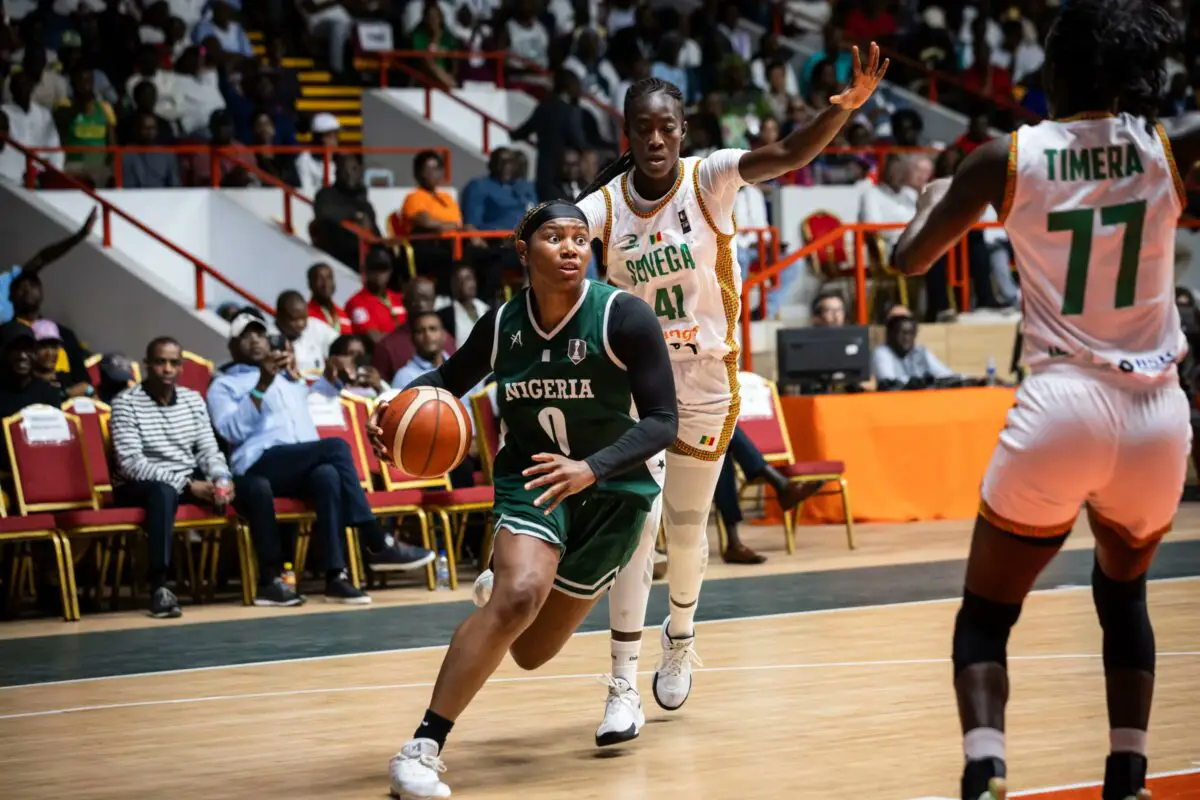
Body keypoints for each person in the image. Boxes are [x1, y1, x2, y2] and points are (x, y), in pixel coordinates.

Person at [892, 3, 1188, 798]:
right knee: (1122, 593)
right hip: (1160, 414)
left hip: (1063, 403)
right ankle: (1128, 775)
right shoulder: (1164, 148)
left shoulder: (1006, 156)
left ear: (1060, 72)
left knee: (986, 617)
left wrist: (932, 201)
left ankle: (986, 765)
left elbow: (909, 261)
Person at [572, 46, 886, 744]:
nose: (654, 139)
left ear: (681, 131)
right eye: (641, 129)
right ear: (626, 134)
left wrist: (840, 111)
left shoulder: (707, 178)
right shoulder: (606, 206)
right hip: (637, 387)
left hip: (708, 381)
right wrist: (542, 233)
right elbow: (561, 236)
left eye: (666, 128)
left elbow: (787, 154)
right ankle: (622, 686)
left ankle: (679, 636)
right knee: (637, 528)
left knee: (686, 530)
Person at [379, 202, 678, 798]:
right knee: (517, 598)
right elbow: (444, 381)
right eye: (553, 237)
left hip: (614, 489)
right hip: (535, 477)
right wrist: (392, 411)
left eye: (579, 238)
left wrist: (589, 469)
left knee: (532, 652)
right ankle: (421, 748)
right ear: (524, 250)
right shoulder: (501, 326)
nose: (570, 248)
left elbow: (664, 421)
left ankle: (515, 579)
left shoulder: (625, 317)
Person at [207, 311, 435, 605]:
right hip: (258, 463)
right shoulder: (224, 386)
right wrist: (262, 384)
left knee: (327, 475)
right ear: (233, 345)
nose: (255, 340)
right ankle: (376, 540)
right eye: (246, 335)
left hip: (298, 462)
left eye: (260, 333)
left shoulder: (288, 378)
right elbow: (231, 429)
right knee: (337, 448)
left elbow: (311, 398)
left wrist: (333, 380)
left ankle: (335, 576)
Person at [110, 336, 233, 619]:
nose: (167, 369)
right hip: (138, 485)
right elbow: (131, 464)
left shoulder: (192, 400)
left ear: (182, 367)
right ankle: (159, 587)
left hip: (185, 478)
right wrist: (188, 485)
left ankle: (269, 578)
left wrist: (221, 478)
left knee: (253, 486)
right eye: (160, 362)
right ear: (146, 365)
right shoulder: (125, 403)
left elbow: (208, 449)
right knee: (164, 492)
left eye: (174, 363)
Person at [0, 208, 96, 323]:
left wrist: (80, 235)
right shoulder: (5, 313)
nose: (35, 317)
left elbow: (45, 256)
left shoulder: (16, 280)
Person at [871, 314, 955, 387]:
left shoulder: (920, 351)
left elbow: (945, 374)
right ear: (890, 334)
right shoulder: (882, 352)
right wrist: (922, 382)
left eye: (911, 333)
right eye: (903, 333)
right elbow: (889, 382)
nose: (907, 338)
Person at [275, 289, 338, 381]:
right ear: (280, 316)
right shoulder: (267, 337)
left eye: (304, 318)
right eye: (294, 319)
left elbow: (341, 344)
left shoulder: (315, 327)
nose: (301, 324)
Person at [345, 248, 406, 342]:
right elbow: (375, 339)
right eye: (374, 269)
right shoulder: (356, 303)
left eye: (383, 269)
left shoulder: (399, 298)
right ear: (364, 271)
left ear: (390, 272)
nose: (379, 274)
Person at [437, 263, 489, 342]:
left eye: (469, 278)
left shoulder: (486, 309)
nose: (467, 284)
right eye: (460, 280)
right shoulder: (445, 316)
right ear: (453, 285)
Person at [306, 261, 352, 333]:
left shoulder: (342, 313)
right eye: (320, 278)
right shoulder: (306, 314)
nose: (326, 283)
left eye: (329, 278)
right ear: (310, 284)